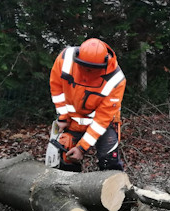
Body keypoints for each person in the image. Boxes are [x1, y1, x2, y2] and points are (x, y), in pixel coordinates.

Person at [49, 38, 126, 172]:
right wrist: (62, 116)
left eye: (92, 69)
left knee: (109, 161)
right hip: (72, 119)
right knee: (66, 157)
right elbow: (57, 88)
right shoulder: (65, 60)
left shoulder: (115, 80)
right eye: (85, 67)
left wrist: (81, 147)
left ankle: (113, 189)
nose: (88, 71)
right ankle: (68, 190)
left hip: (104, 124)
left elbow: (102, 119)